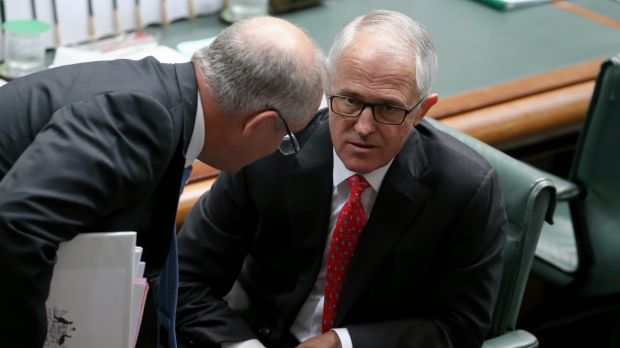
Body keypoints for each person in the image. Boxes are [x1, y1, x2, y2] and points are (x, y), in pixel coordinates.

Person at [175, 10, 508, 348]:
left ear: (422, 110)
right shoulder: (270, 150)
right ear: (327, 90)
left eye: (388, 109)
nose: (363, 127)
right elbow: (185, 281)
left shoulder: (465, 189)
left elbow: (459, 328)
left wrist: (344, 343)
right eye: (350, 100)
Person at [0, 16, 326, 348]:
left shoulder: (167, 102)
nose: (280, 151)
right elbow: (18, 227)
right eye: (287, 139)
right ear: (260, 124)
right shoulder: (142, 119)